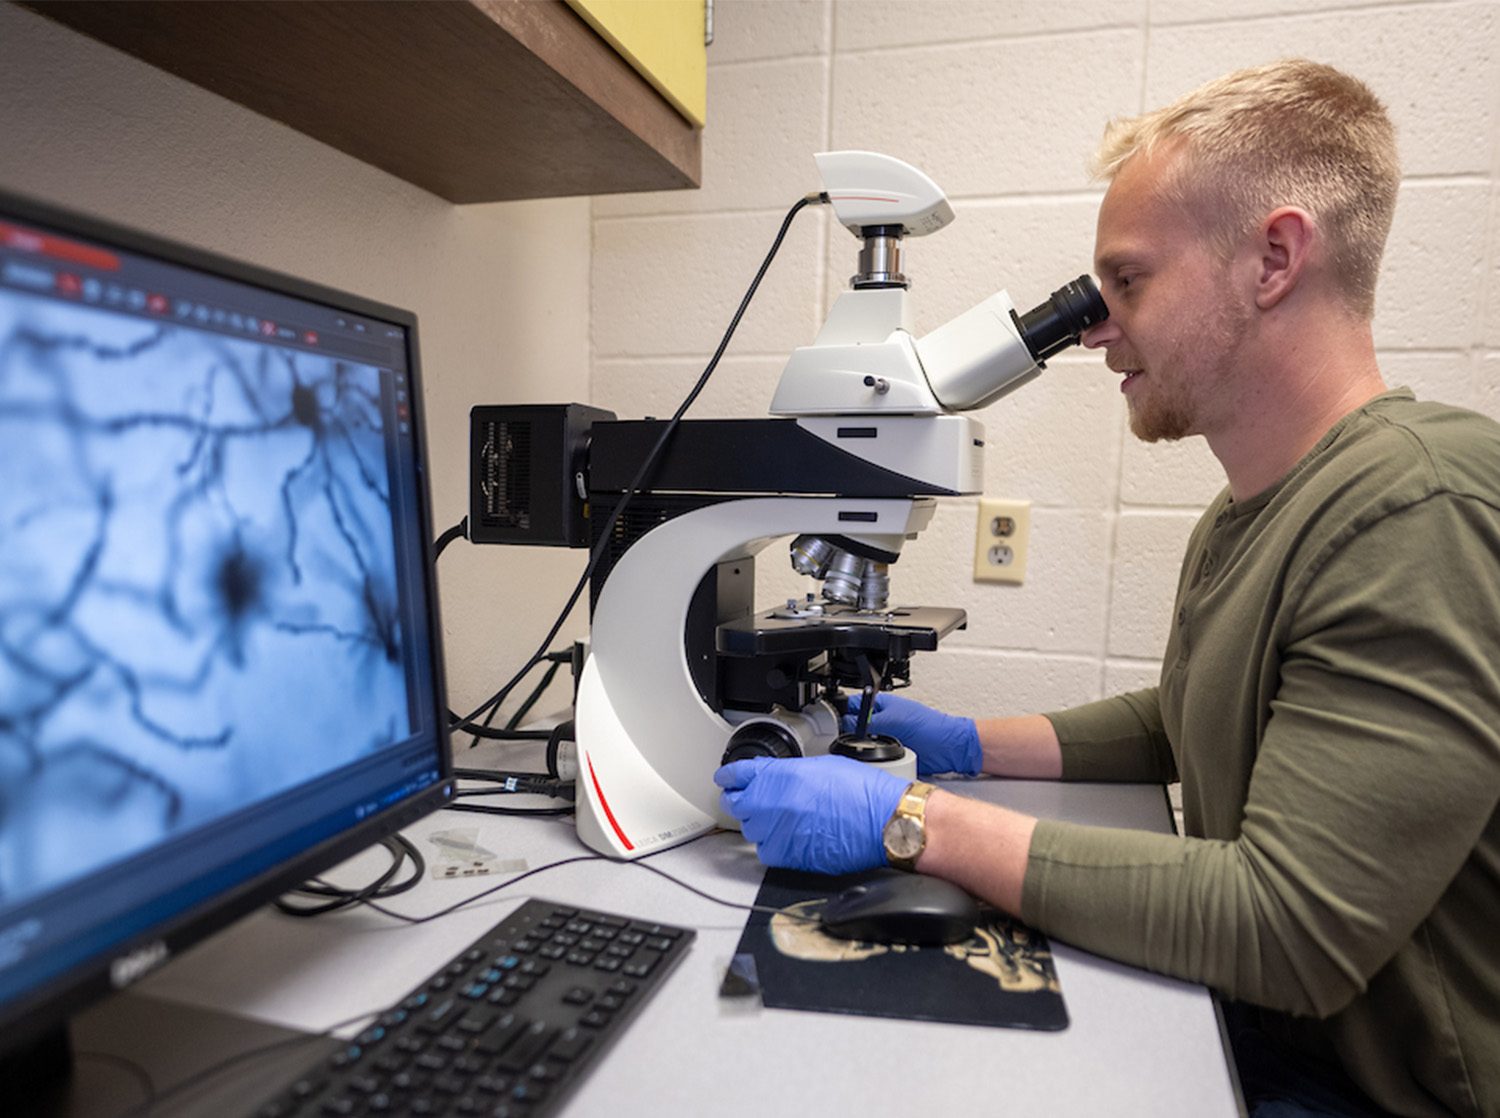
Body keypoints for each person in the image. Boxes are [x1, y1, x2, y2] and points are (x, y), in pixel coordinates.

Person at [714, 59, 1500, 1118]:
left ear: (1274, 257)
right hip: (1281, 1033)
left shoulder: (1418, 509)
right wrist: (966, 743)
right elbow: (1190, 716)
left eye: (1125, 282)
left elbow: (1288, 929)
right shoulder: (1254, 507)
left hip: (1378, 1088)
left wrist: (912, 818)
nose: (1091, 331)